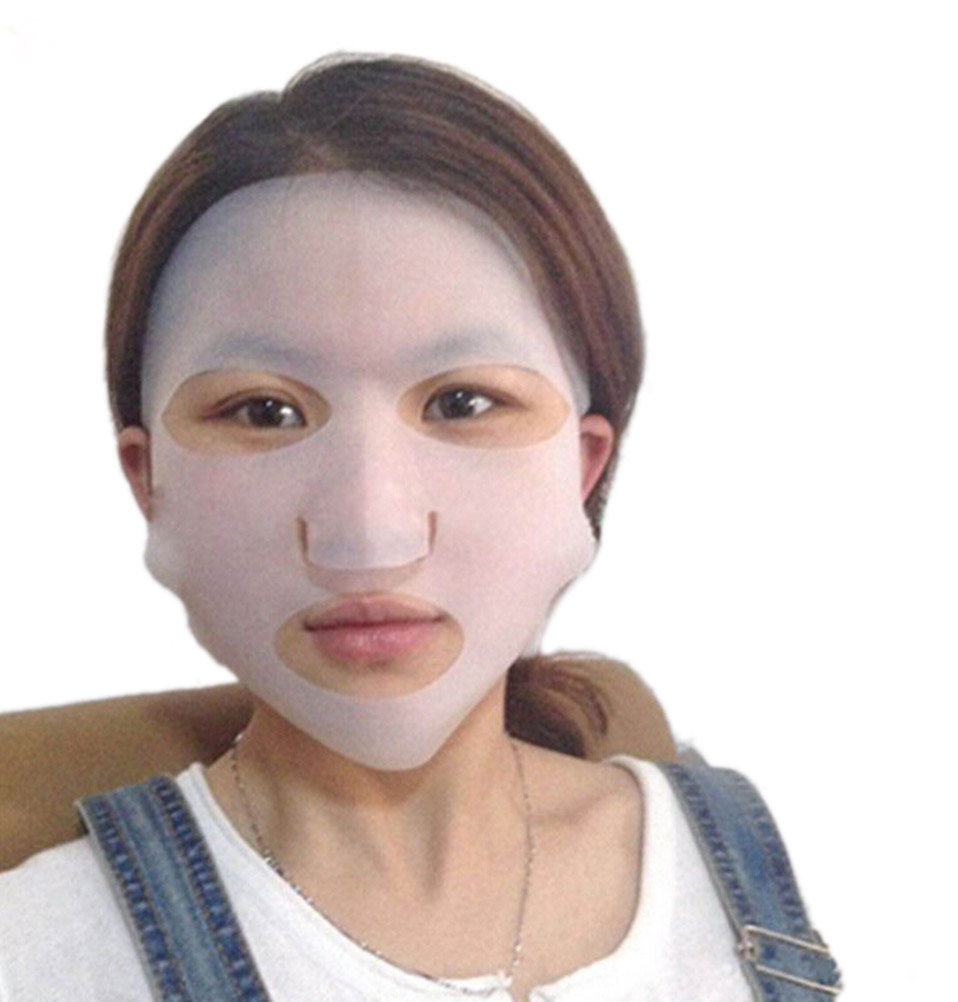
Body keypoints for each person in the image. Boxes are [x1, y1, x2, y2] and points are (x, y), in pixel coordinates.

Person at [0, 53, 841, 1002]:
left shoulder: (746, 872)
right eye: (264, 413)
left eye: (463, 403)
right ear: (149, 481)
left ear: (584, 465)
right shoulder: (36, 955)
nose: (371, 538)